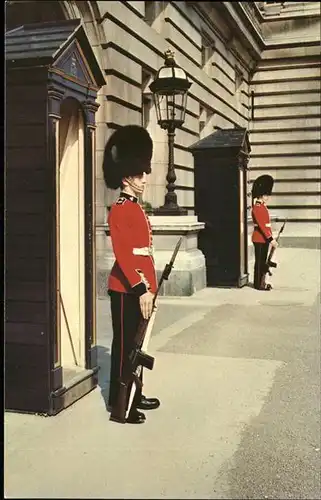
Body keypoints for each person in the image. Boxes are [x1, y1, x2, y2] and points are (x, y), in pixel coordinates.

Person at [102, 125, 160, 424]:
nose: (144, 178)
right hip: (127, 290)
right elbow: (124, 255)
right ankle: (119, 405)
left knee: (139, 346)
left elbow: (143, 251)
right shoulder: (120, 209)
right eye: (140, 175)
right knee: (126, 347)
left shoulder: (136, 208)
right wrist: (142, 289)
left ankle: (135, 395)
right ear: (127, 177)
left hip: (141, 288)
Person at [251, 174, 278, 291]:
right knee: (260, 262)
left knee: (263, 261)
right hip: (259, 238)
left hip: (262, 238)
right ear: (261, 195)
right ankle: (258, 284)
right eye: (266, 195)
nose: (268, 197)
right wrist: (271, 239)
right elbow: (262, 226)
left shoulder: (262, 207)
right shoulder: (258, 207)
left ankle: (261, 282)